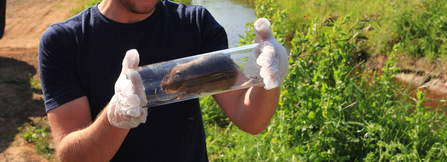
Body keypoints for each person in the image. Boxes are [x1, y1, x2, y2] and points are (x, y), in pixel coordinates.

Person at [38, 0, 288, 161]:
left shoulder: (194, 25)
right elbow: (74, 158)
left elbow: (251, 119)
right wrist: (117, 115)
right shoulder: (64, 42)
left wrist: (268, 76)